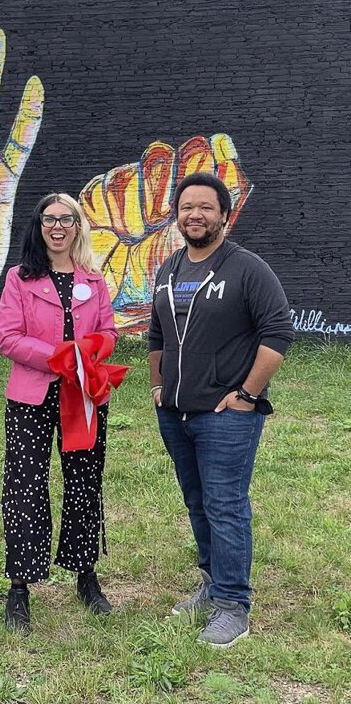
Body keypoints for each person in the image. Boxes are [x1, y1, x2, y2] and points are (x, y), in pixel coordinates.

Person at [148, 172, 294, 649]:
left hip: (225, 415)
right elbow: (156, 336)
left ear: (224, 216)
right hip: (176, 411)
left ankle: (233, 605)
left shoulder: (247, 269)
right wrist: (157, 385)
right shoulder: (169, 269)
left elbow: (277, 334)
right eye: (187, 206)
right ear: (177, 215)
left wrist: (247, 396)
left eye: (206, 207)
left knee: (226, 505)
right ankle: (212, 584)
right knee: (198, 502)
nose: (195, 214)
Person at [0, 192, 118, 633]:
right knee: (25, 486)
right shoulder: (19, 278)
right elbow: (8, 337)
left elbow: (107, 332)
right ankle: (20, 586)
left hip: (83, 396)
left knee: (85, 483)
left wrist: (89, 354)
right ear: (39, 226)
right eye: (50, 219)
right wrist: (60, 357)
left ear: (77, 226)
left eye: (67, 219)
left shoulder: (95, 280)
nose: (58, 226)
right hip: (32, 395)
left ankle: (86, 575)